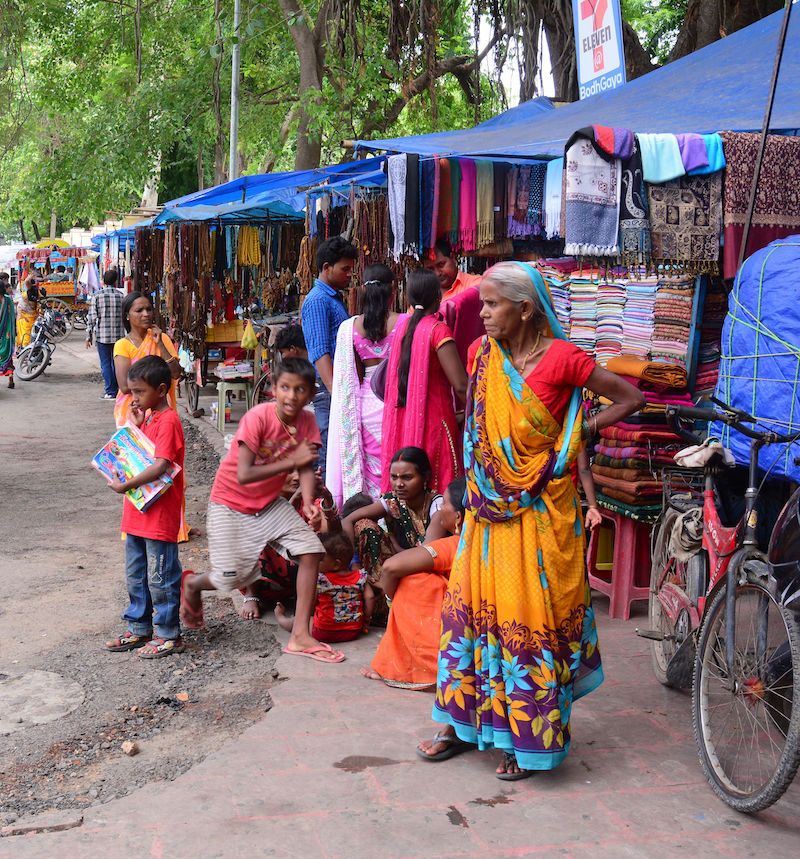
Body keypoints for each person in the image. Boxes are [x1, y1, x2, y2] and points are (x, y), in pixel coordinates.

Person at [417, 261, 643, 778]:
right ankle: (459, 723)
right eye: (483, 304)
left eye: (493, 304)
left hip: (541, 514)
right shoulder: (480, 357)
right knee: (470, 612)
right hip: (488, 516)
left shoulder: (563, 359)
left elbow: (631, 397)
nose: (485, 313)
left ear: (525, 308)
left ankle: (527, 737)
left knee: (527, 621)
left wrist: (575, 437)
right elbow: (477, 433)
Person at [180, 357, 346, 665]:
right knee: (231, 578)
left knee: (311, 551)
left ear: (311, 394)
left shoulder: (308, 422)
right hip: (230, 502)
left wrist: (310, 502)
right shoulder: (257, 418)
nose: (291, 396)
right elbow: (245, 473)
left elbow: (307, 468)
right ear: (273, 389)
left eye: (300, 390)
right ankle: (192, 584)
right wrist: (292, 460)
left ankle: (299, 636)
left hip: (268, 504)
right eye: (285, 387)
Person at [104, 356, 186, 659]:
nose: (134, 398)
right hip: (137, 512)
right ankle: (139, 627)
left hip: (159, 514)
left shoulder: (169, 421)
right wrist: (136, 427)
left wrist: (126, 486)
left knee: (161, 576)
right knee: (136, 573)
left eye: (139, 392)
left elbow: (161, 465)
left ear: (161, 389)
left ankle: (168, 633)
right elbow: (133, 453)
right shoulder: (149, 418)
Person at [362, 477, 466, 690]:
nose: (439, 511)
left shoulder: (456, 544)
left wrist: (393, 600)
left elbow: (391, 567)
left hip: (459, 635)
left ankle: (427, 669)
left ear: (458, 517)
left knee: (414, 580)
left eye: (444, 505)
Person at [381, 269, 467, 495]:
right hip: (436, 422)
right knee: (439, 484)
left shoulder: (402, 328)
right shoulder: (438, 330)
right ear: (438, 297)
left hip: (404, 419)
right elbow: (460, 385)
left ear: (409, 298)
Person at [327, 264, 402, 506]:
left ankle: (370, 518)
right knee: (396, 460)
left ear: (363, 291)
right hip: (394, 403)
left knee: (368, 469)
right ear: (394, 290)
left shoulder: (350, 328)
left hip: (364, 405)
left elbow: (354, 374)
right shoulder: (405, 323)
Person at [341, 447, 444, 590]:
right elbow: (347, 520)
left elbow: (427, 554)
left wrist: (398, 549)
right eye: (394, 477)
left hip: (426, 570)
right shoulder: (393, 501)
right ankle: (377, 588)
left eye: (407, 477)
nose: (398, 484)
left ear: (425, 477)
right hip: (395, 566)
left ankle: (388, 589)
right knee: (363, 525)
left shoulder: (438, 505)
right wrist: (354, 565)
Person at [300, 237, 357, 469]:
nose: (349, 275)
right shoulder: (317, 301)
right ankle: (325, 502)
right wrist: (336, 392)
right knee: (329, 450)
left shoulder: (332, 297)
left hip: (336, 386)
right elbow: (319, 351)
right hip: (329, 389)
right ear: (326, 268)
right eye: (345, 269)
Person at [275, 531, 375, 645]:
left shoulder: (321, 579)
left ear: (336, 564)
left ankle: (281, 619)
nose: (315, 562)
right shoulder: (360, 576)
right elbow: (370, 597)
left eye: (320, 559)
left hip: (323, 632)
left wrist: (309, 615)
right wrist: (365, 620)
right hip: (353, 631)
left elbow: (310, 604)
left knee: (299, 622)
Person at [86, 269, 125, 400]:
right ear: (116, 281)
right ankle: (119, 390)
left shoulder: (97, 296)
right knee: (117, 363)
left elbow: (91, 318)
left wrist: (88, 336)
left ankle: (110, 391)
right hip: (119, 337)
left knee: (106, 364)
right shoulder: (121, 296)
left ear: (103, 280)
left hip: (102, 336)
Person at [424, 238, 481, 303]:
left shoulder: (476, 284)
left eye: (441, 265)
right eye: (430, 269)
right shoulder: (423, 293)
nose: (437, 273)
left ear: (453, 258)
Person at [15, 276, 41, 349]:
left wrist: (30, 275)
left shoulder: (30, 291)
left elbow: (26, 281)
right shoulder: (35, 291)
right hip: (30, 315)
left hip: (25, 316)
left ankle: (25, 347)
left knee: (25, 332)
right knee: (28, 332)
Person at [0, 276, 16, 389]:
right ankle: (10, 376)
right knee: (7, 356)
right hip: (7, 333)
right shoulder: (8, 299)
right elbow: (12, 316)